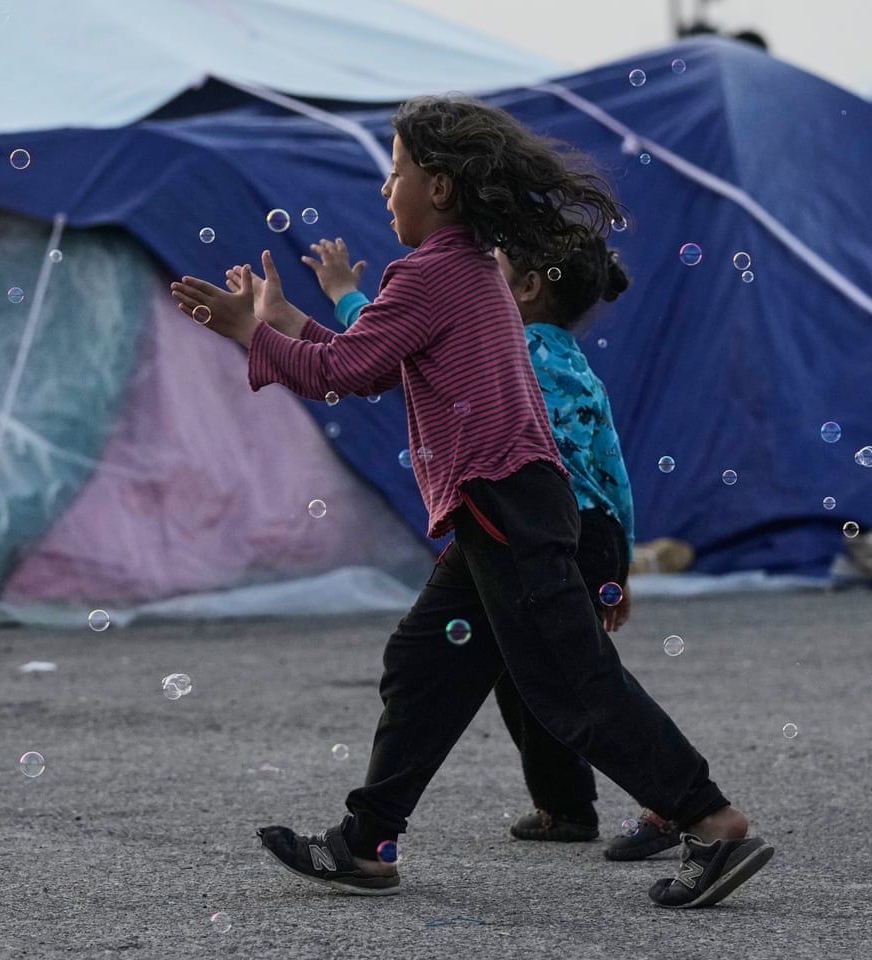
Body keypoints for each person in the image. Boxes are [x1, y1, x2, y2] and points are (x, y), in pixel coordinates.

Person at [169, 94, 773, 908]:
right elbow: (374, 363)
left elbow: (344, 373)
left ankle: (711, 821)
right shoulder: (468, 272)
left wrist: (253, 335)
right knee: (424, 660)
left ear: (442, 188)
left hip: (503, 502)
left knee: (570, 683)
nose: (386, 190)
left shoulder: (434, 273)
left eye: (396, 172)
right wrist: (285, 323)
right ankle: (366, 842)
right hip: (505, 504)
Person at [296, 234, 679, 860]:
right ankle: (565, 807)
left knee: (571, 679)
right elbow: (613, 471)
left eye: (491, 270)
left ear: (526, 289)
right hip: (594, 530)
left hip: (535, 526)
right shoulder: (578, 364)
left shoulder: (505, 348)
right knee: (530, 673)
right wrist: (621, 563)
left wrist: (343, 294)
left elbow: (391, 343)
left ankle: (676, 802)